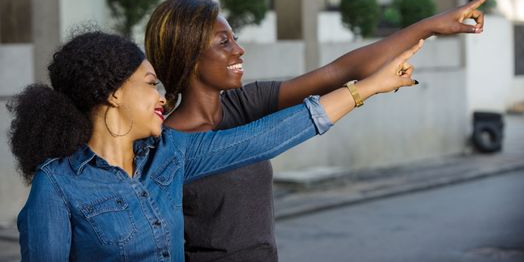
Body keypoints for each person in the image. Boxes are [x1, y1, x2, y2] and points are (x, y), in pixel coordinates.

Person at [10, 28, 422, 261]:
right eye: (151, 84)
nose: (162, 97)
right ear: (114, 93)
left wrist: (366, 88)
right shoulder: (58, 186)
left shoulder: (171, 154)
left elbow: (265, 138)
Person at [144, 0, 490, 262]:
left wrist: (429, 26)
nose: (239, 49)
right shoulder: (166, 148)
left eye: (234, 38)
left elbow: (340, 72)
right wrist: (365, 89)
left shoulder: (245, 105)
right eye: (224, 42)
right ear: (189, 54)